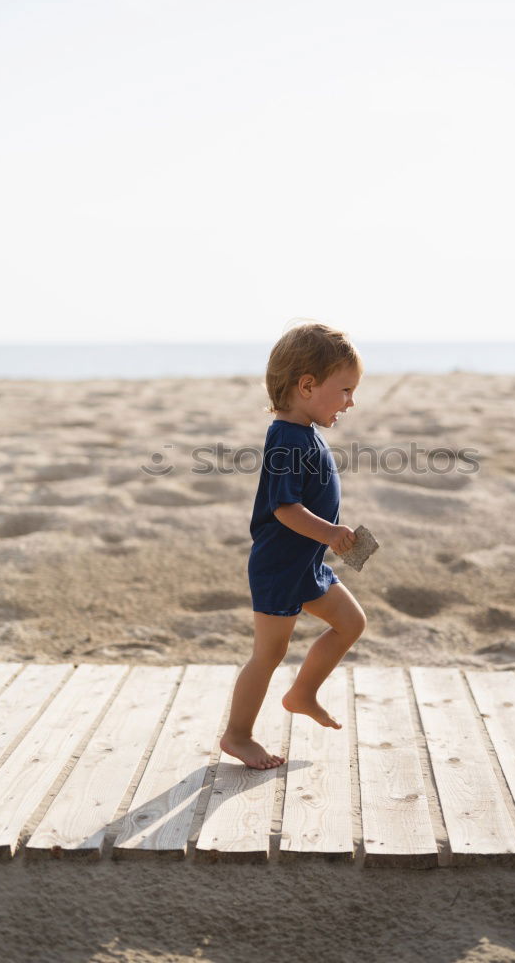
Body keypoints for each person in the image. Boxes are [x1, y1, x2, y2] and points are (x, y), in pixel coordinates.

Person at [219, 321, 367, 770]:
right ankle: (237, 735)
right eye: (344, 390)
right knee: (268, 654)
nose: (350, 401)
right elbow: (284, 509)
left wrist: (327, 540)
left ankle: (302, 693)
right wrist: (331, 533)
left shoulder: (303, 432)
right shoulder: (284, 439)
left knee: (351, 623)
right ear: (307, 385)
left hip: (307, 564)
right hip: (281, 566)